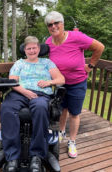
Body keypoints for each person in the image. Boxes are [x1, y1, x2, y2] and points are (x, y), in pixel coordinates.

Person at [44, 11, 105, 158]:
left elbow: (100, 47)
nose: (53, 26)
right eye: (50, 24)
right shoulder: (47, 43)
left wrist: (90, 66)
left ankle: (72, 141)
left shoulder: (76, 37)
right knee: (62, 110)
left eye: (56, 23)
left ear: (62, 23)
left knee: (74, 113)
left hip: (77, 83)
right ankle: (62, 132)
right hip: (60, 85)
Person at [0, 36, 65, 172]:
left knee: (41, 108)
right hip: (20, 92)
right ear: (25, 50)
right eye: (28, 48)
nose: (31, 50)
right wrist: (25, 92)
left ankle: (36, 156)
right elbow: (12, 82)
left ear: (39, 48)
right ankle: (12, 157)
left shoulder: (47, 63)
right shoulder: (19, 63)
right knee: (7, 107)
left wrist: (49, 82)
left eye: (34, 48)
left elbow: (61, 79)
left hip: (41, 94)